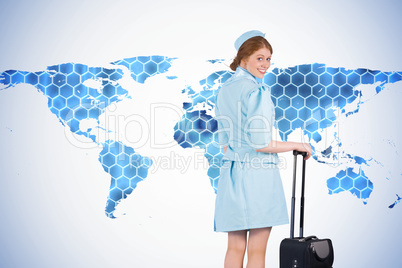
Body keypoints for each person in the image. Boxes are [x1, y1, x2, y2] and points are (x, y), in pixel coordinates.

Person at [214, 30, 312, 268]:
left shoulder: (224, 89)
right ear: (243, 59)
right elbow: (261, 144)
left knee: (234, 248)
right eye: (260, 58)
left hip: (232, 176)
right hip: (258, 178)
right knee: (257, 251)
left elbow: (224, 141)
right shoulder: (256, 90)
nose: (266, 64)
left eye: (269, 58)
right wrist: (298, 144)